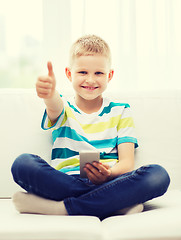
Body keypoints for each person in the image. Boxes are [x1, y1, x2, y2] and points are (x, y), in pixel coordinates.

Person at [11, 35, 170, 219]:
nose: (91, 80)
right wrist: (50, 93)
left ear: (109, 75)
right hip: (66, 182)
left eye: (99, 73)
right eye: (83, 72)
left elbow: (127, 163)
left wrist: (109, 174)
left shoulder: (121, 111)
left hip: (111, 182)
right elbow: (54, 105)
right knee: (23, 163)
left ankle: (62, 208)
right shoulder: (65, 108)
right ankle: (113, 204)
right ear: (69, 74)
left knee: (158, 175)